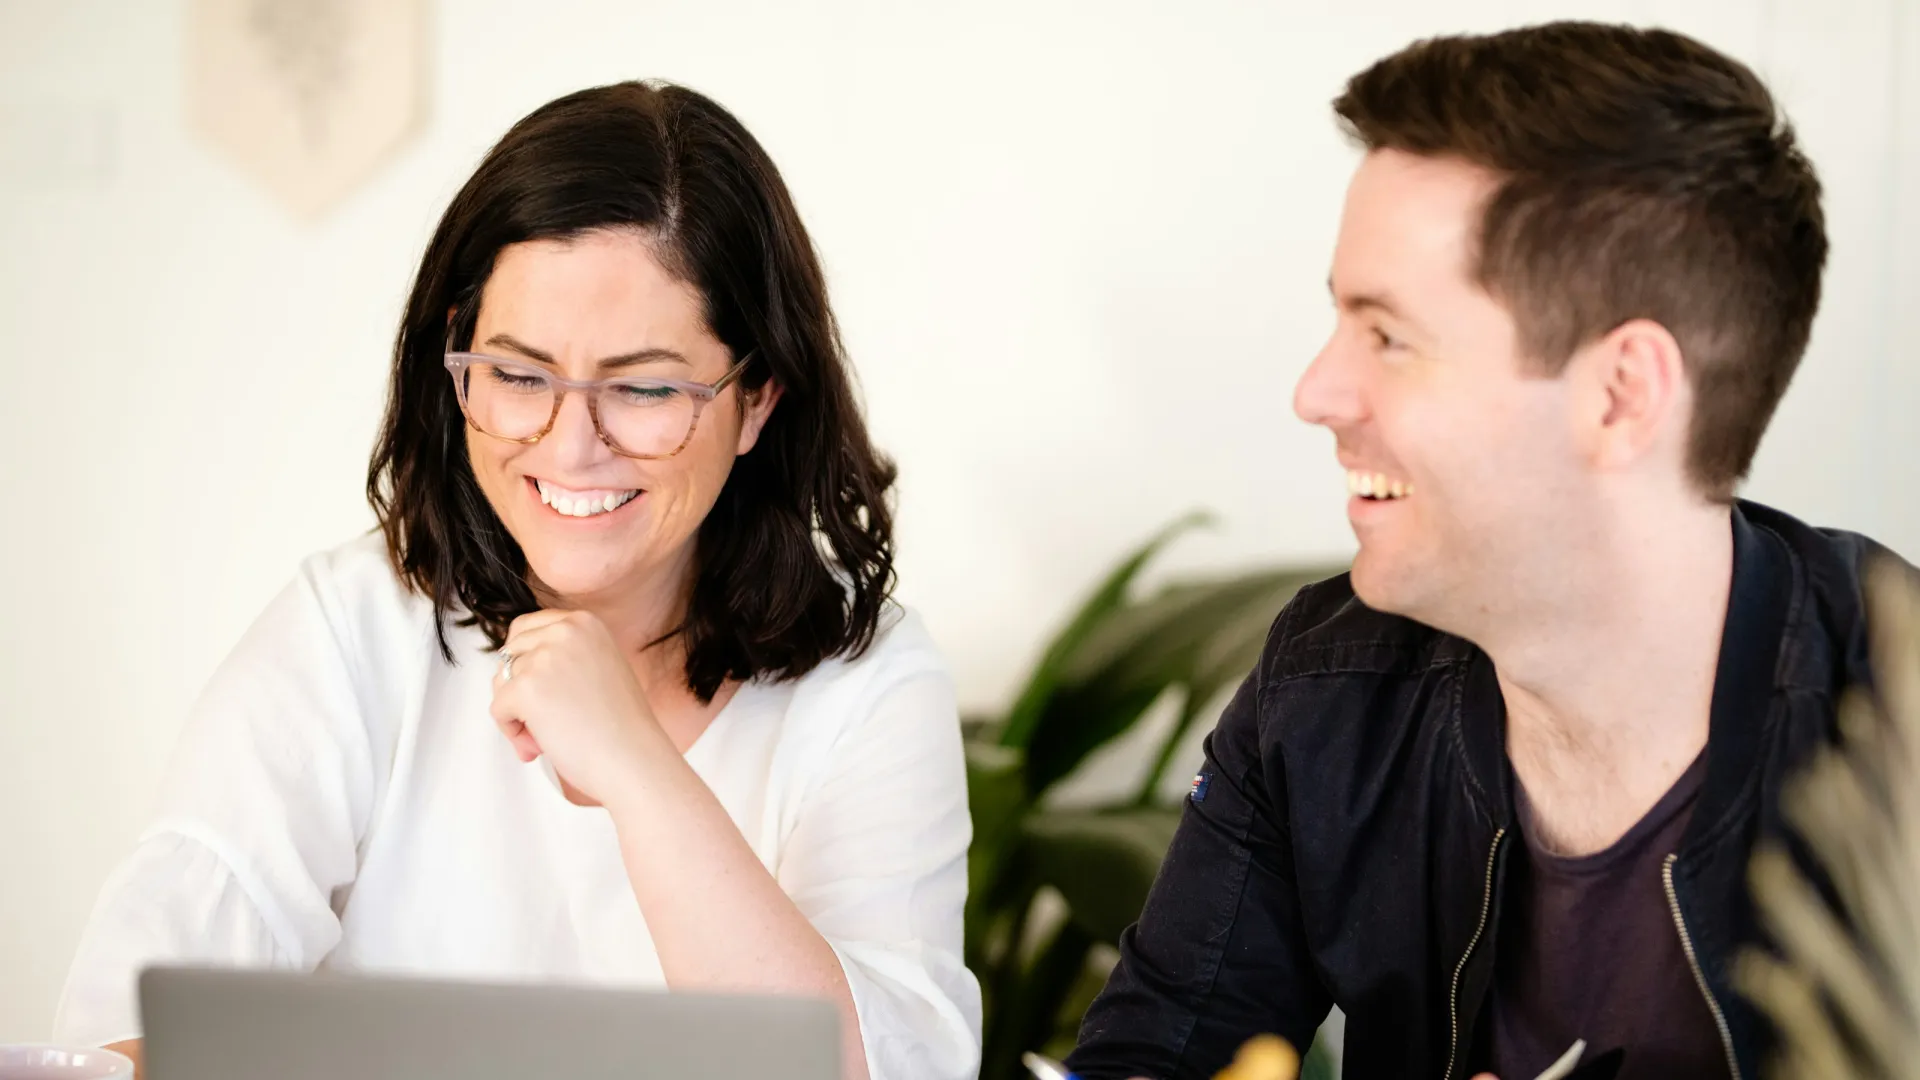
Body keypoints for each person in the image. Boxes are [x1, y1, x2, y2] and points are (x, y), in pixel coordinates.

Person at [54, 81, 980, 1080]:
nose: (569, 446)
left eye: (645, 387)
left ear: (757, 399)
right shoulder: (350, 629)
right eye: (518, 375)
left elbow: (888, 1072)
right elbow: (116, 1044)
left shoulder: (870, 683)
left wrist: (636, 770)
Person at [1068, 22, 1907, 1080]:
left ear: (1619, 396)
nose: (1315, 392)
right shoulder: (1327, 696)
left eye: (1388, 336)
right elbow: (1148, 1060)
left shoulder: (1901, 725)